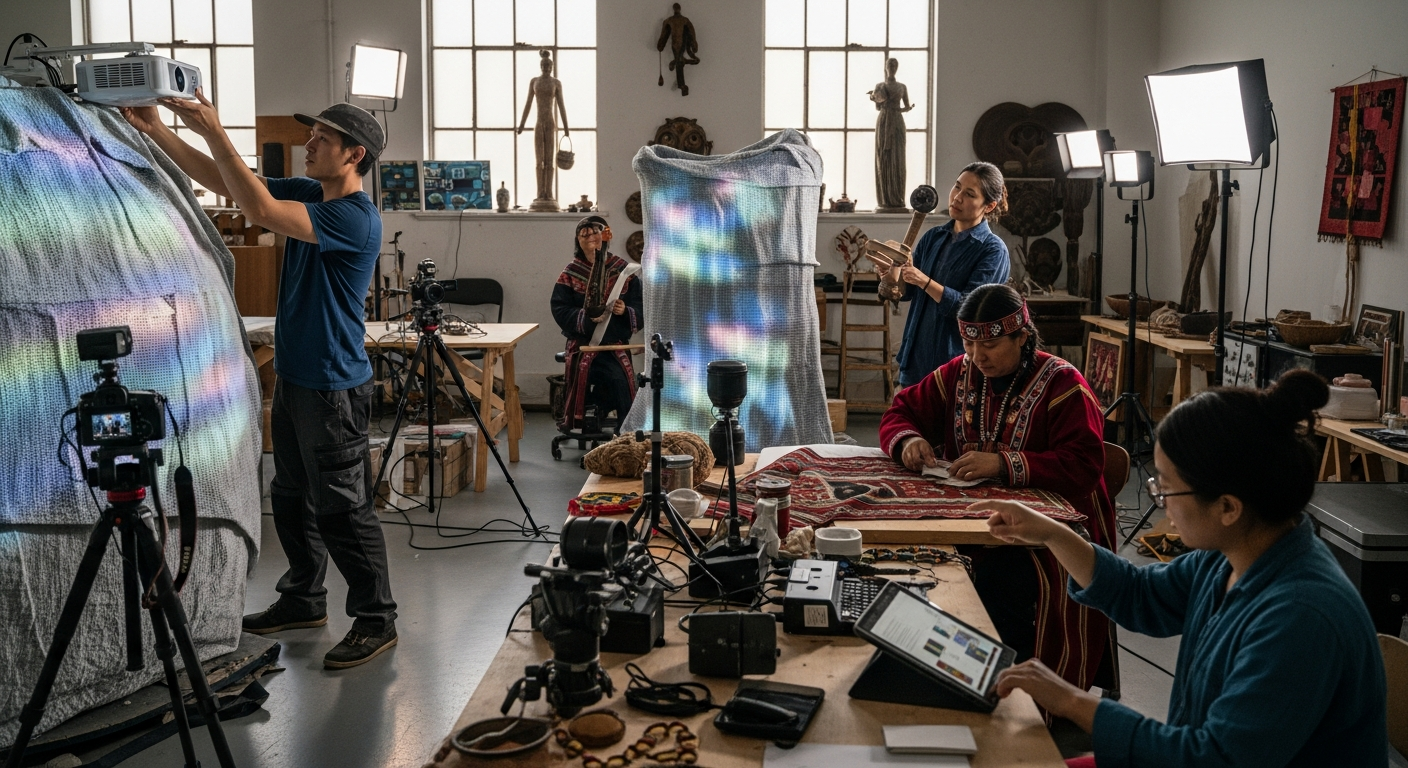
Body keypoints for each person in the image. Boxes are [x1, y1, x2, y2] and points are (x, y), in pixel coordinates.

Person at [975, 370, 1386, 767]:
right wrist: (1052, 533)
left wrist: (1070, 701)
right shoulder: (1231, 555)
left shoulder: (1300, 617)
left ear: (1228, 507)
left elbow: (1212, 759)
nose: (1161, 503)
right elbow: (1140, 595)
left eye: (1167, 489)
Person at [123, 95, 399, 669]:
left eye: (322, 138)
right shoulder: (310, 193)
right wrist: (156, 130)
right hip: (298, 380)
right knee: (291, 498)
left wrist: (213, 127)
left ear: (355, 155)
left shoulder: (355, 217)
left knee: (343, 508)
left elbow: (259, 210)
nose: (309, 144)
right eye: (311, 134)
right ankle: (303, 598)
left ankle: (377, 619)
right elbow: (227, 181)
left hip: (333, 386)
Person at [879, 284, 1118, 698]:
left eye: (989, 345)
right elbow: (902, 410)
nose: (977, 356)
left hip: (1051, 534)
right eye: (969, 344)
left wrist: (1003, 464)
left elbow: (1083, 465)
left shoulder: (1063, 384)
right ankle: (941, 675)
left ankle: (1004, 691)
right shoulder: (959, 374)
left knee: (995, 580)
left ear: (1022, 337)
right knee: (914, 561)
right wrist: (908, 440)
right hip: (974, 521)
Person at [880, 162, 1011, 388]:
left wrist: (923, 280)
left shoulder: (992, 250)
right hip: (913, 362)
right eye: (957, 187)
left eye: (969, 194)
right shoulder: (934, 237)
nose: (957, 197)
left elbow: (970, 310)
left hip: (955, 369)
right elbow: (907, 293)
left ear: (989, 206)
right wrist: (893, 275)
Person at [551, 217, 642, 433]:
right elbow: (559, 307)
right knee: (586, 376)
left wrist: (624, 310)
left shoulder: (623, 270)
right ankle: (586, 420)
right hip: (583, 344)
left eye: (595, 233)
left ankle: (625, 431)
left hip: (615, 343)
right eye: (585, 234)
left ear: (605, 237)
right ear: (578, 240)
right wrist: (586, 317)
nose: (591, 237)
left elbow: (639, 304)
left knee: (619, 380)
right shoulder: (571, 272)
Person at [516, 49, 569, 210]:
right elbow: (528, 104)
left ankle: (549, 193)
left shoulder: (556, 83)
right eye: (544, 65)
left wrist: (566, 128)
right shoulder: (535, 82)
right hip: (539, 124)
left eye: (549, 65)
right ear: (541, 66)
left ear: (552, 67)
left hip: (550, 123)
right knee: (539, 161)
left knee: (549, 160)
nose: (546, 68)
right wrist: (521, 124)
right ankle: (540, 193)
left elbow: (561, 105)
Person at [870, 57, 913, 212]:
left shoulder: (902, 86)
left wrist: (907, 108)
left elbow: (906, 105)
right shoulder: (880, 86)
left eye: (895, 66)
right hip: (884, 121)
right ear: (886, 67)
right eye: (890, 65)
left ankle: (897, 198)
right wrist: (875, 97)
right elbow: (877, 107)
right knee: (883, 157)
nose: (892, 68)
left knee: (898, 158)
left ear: (897, 68)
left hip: (897, 122)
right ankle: (884, 200)